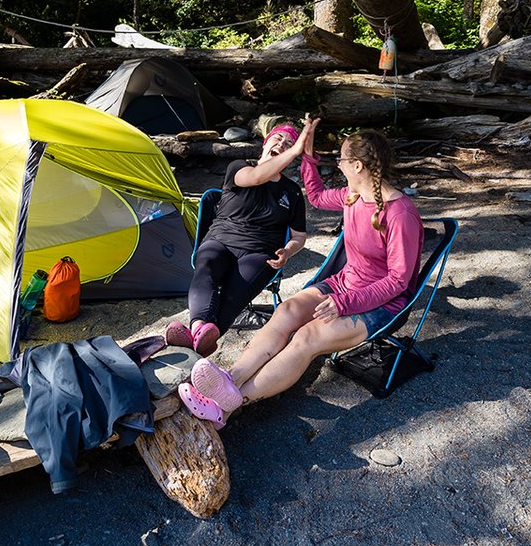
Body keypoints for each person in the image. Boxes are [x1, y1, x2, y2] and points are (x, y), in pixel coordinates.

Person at [178, 119, 424, 426]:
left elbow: (399, 281)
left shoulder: (399, 214)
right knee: (287, 310)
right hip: (344, 284)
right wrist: (308, 154)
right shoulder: (353, 195)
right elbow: (318, 196)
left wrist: (345, 304)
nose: (339, 163)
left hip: (381, 304)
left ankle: (227, 407)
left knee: (307, 337)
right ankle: (230, 379)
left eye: (342, 159)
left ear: (358, 166)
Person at [165, 123, 308, 356]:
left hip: (260, 251)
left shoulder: (291, 192)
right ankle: (199, 331)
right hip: (221, 240)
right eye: (278, 138)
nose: (282, 144)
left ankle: (196, 338)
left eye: (289, 143)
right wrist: (295, 149)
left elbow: (299, 236)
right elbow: (256, 177)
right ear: (265, 142)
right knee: (206, 268)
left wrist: (289, 251)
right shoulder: (239, 167)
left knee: (236, 292)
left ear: (291, 157)